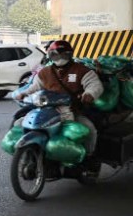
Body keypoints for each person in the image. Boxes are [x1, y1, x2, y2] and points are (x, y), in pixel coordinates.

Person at [14, 39, 103, 167]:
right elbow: (34, 87)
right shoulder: (45, 72)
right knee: (18, 122)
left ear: (70, 54)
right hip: (46, 110)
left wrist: (89, 94)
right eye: (55, 54)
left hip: (71, 110)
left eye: (64, 54)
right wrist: (24, 94)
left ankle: (90, 161)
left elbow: (95, 85)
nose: (60, 58)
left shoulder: (82, 70)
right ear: (50, 56)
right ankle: (29, 155)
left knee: (90, 129)